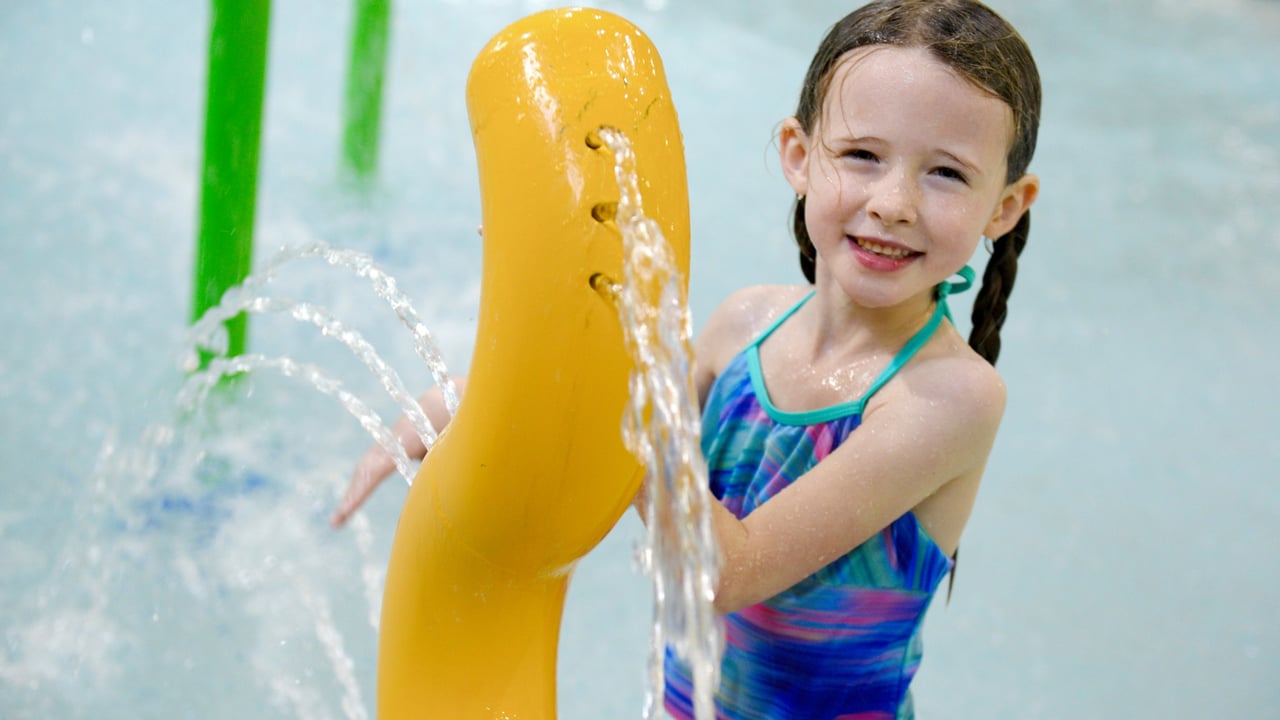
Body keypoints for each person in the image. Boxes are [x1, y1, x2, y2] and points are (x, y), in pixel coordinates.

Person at [332, 0, 1040, 716]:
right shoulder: (744, 326)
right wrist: (478, 395)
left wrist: (609, 346)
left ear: (1005, 207)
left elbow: (721, 567)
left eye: (946, 174)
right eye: (862, 155)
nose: (893, 202)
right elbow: (615, 461)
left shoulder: (949, 398)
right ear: (799, 155)